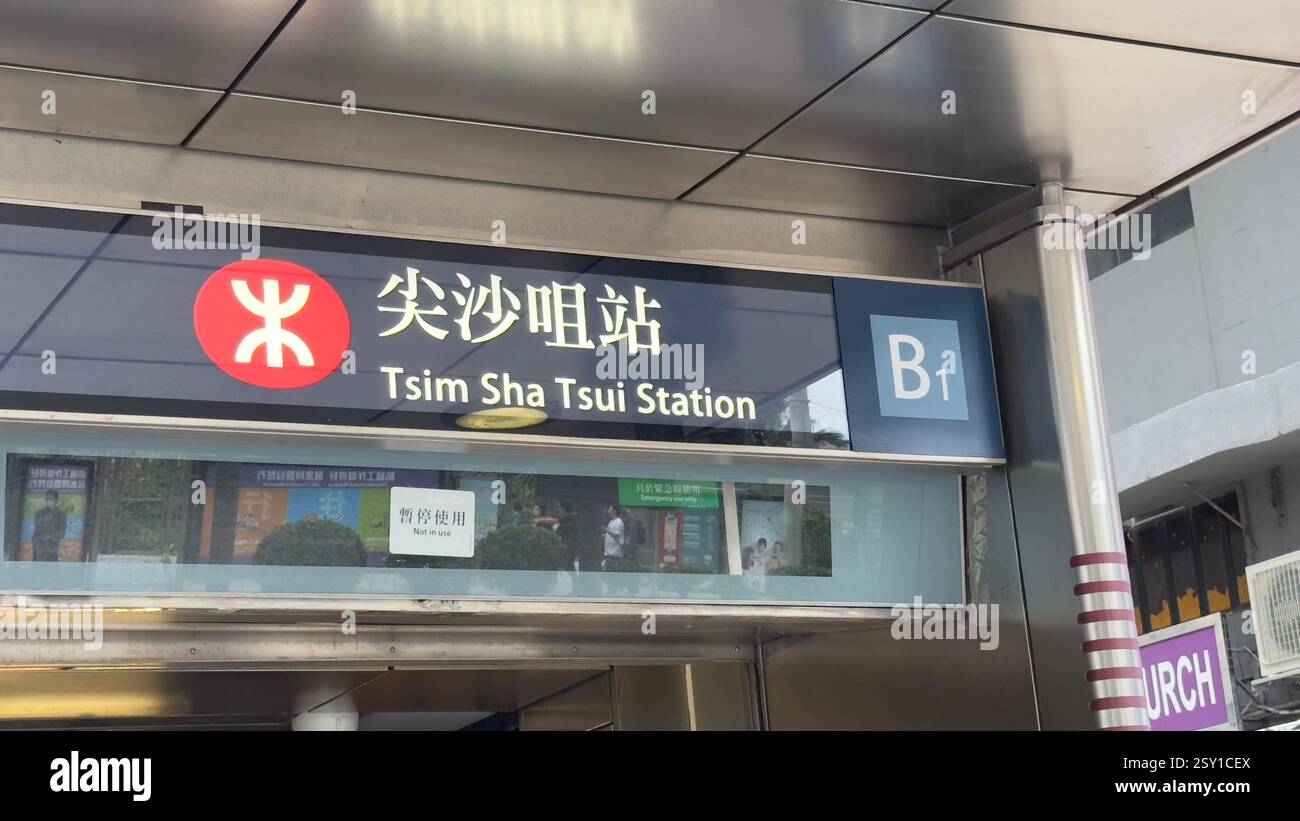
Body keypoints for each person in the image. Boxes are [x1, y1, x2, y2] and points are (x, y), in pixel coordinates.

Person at [32, 490, 67, 563]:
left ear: (56, 500)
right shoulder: (39, 513)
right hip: (39, 547)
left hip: (52, 548)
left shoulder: (61, 514)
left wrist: (50, 536)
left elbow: (62, 532)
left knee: (51, 571)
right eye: (47, 499)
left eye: (51, 499)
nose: (48, 501)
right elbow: (38, 529)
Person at [557, 501, 581, 571]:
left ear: (563, 509)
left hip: (570, 546)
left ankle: (575, 580)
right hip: (569, 545)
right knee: (568, 565)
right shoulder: (568, 519)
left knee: (568, 564)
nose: (558, 510)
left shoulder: (570, 518)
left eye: (559, 507)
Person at [601, 505, 625, 569]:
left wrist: (606, 530)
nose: (608, 511)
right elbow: (609, 534)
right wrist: (604, 535)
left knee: (609, 574)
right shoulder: (611, 522)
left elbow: (616, 535)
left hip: (614, 554)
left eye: (609, 509)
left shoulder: (618, 522)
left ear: (614, 511)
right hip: (608, 553)